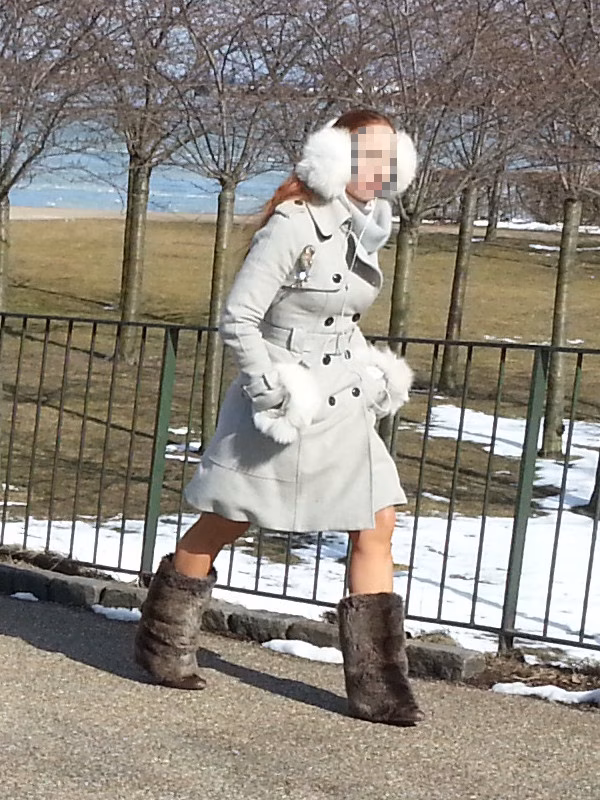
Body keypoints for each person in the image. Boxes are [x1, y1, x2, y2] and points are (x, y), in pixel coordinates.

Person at [134, 108, 424, 726]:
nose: (380, 170)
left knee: (377, 522)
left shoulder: (368, 227)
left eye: (389, 159)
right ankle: (163, 644)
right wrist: (273, 392)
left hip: (343, 401)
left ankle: (381, 688)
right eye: (368, 156)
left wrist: (371, 369)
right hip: (286, 404)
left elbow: (337, 320)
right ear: (334, 158)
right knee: (226, 522)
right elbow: (239, 318)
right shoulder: (295, 223)